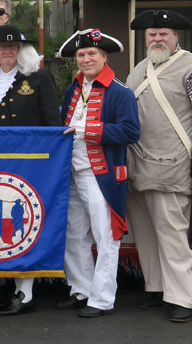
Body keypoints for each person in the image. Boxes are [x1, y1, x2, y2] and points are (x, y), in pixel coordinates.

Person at [125, 10, 192, 323]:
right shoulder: (138, 70)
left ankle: (182, 296)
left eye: (163, 33)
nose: (157, 38)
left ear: (176, 36)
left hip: (173, 165)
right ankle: (156, 286)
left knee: (172, 234)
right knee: (144, 233)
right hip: (137, 165)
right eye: (152, 34)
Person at [0, 25, 62, 316]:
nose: (7, 51)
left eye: (13, 47)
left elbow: (53, 124)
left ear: (21, 50)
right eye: (2, 47)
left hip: (32, 165)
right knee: (5, 229)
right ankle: (13, 287)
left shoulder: (38, 79)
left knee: (25, 226)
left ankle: (26, 293)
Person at [55, 28, 140, 318]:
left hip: (100, 173)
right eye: (81, 54)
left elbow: (131, 131)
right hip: (71, 172)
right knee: (74, 233)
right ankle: (81, 289)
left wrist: (88, 129)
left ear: (104, 56)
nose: (86, 58)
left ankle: (102, 299)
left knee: (105, 235)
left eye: (92, 53)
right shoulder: (73, 89)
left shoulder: (120, 91)